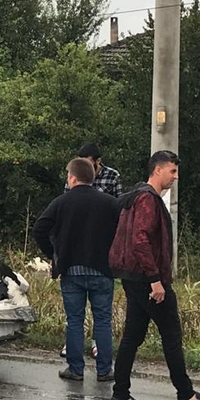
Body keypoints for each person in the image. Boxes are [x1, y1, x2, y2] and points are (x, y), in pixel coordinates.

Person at [108, 151, 200, 400]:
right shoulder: (147, 199)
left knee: (132, 337)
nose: (175, 177)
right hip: (148, 279)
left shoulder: (137, 196)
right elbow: (140, 240)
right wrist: (156, 280)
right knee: (171, 334)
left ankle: (120, 394)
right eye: (172, 171)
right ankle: (186, 394)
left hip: (133, 277)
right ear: (157, 170)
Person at [33, 158, 120, 382]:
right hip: (102, 269)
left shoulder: (62, 202)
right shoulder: (110, 203)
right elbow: (122, 231)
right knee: (102, 320)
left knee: (74, 320)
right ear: (92, 177)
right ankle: (104, 370)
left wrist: (53, 253)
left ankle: (75, 368)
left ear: (72, 177)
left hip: (71, 270)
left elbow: (40, 228)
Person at [60, 142, 123, 359]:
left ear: (98, 162)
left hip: (99, 247)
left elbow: (119, 209)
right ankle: (81, 358)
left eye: (89, 162)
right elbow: (65, 205)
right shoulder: (73, 176)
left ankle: (94, 354)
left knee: (99, 318)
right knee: (79, 318)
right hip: (78, 245)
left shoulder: (112, 177)